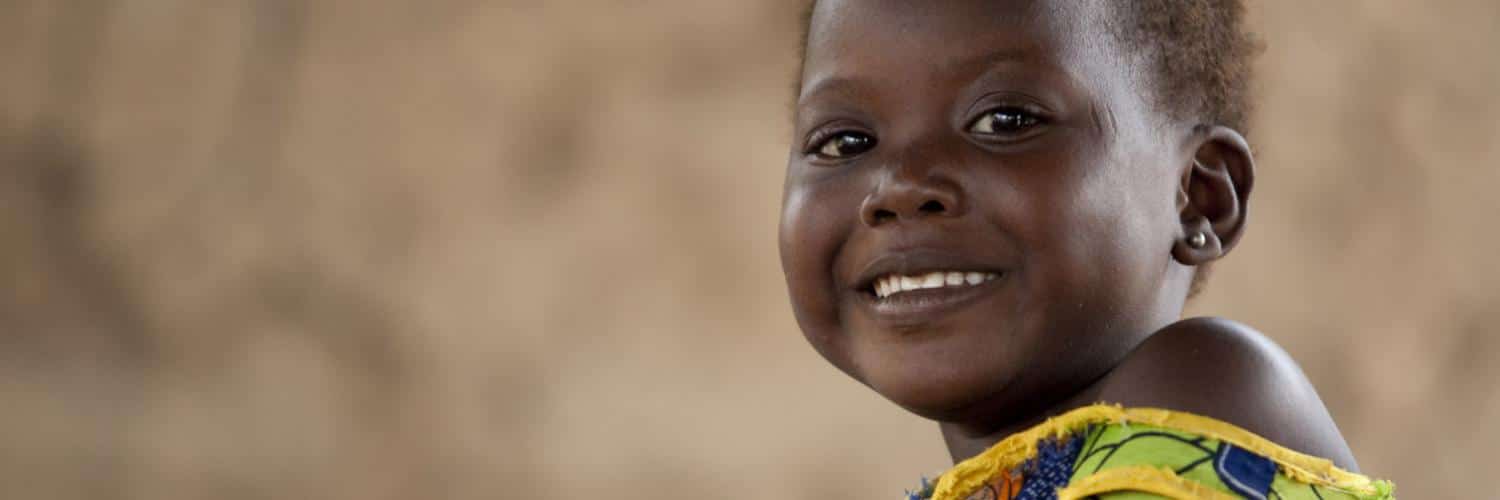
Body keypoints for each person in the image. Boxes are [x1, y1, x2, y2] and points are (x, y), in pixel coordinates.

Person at [777, 1, 1395, 498]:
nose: (903, 187)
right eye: (846, 141)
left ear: (1198, 198)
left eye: (1006, 121)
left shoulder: (1203, 390)